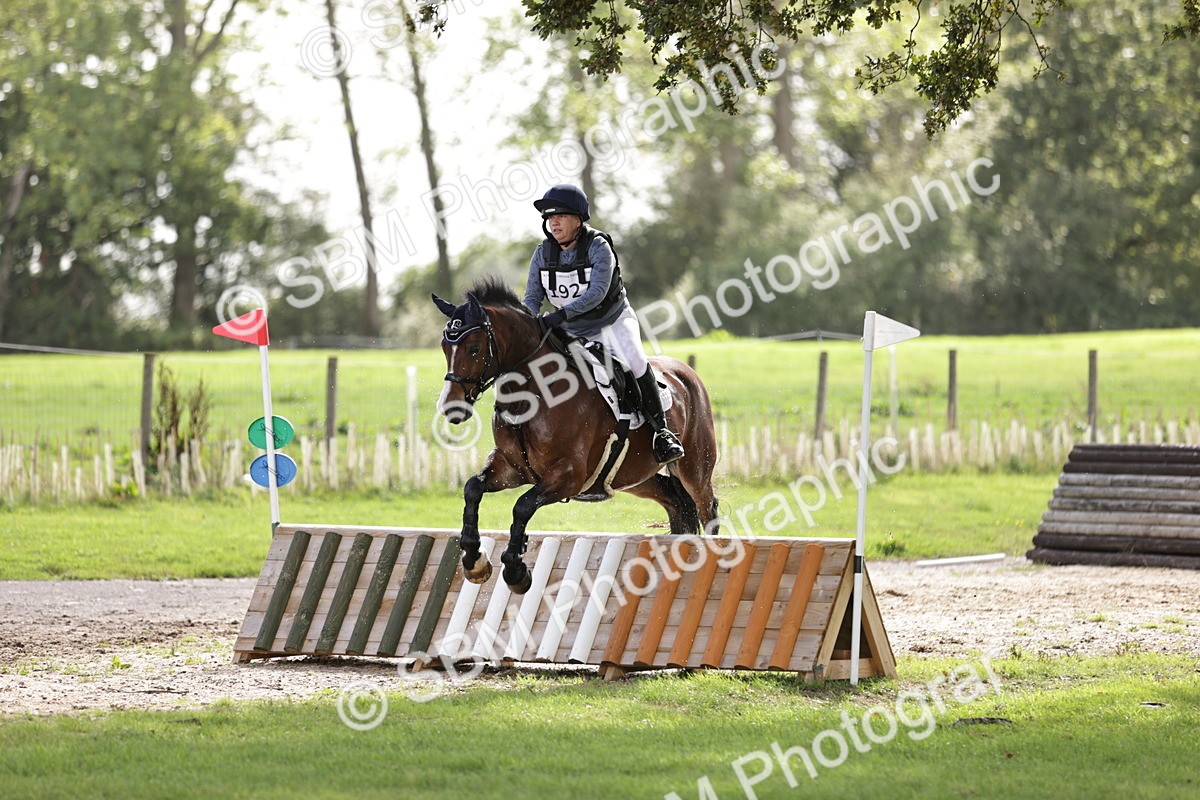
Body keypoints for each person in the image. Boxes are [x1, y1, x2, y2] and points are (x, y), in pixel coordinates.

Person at [523, 183, 685, 465]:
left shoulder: (599, 247)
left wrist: (560, 315)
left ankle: (662, 433)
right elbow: (532, 299)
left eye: (560, 216)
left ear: (578, 219)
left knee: (635, 361)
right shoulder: (542, 254)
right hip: (569, 331)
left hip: (611, 322)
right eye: (549, 218)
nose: (553, 222)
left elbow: (596, 293)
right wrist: (526, 324)